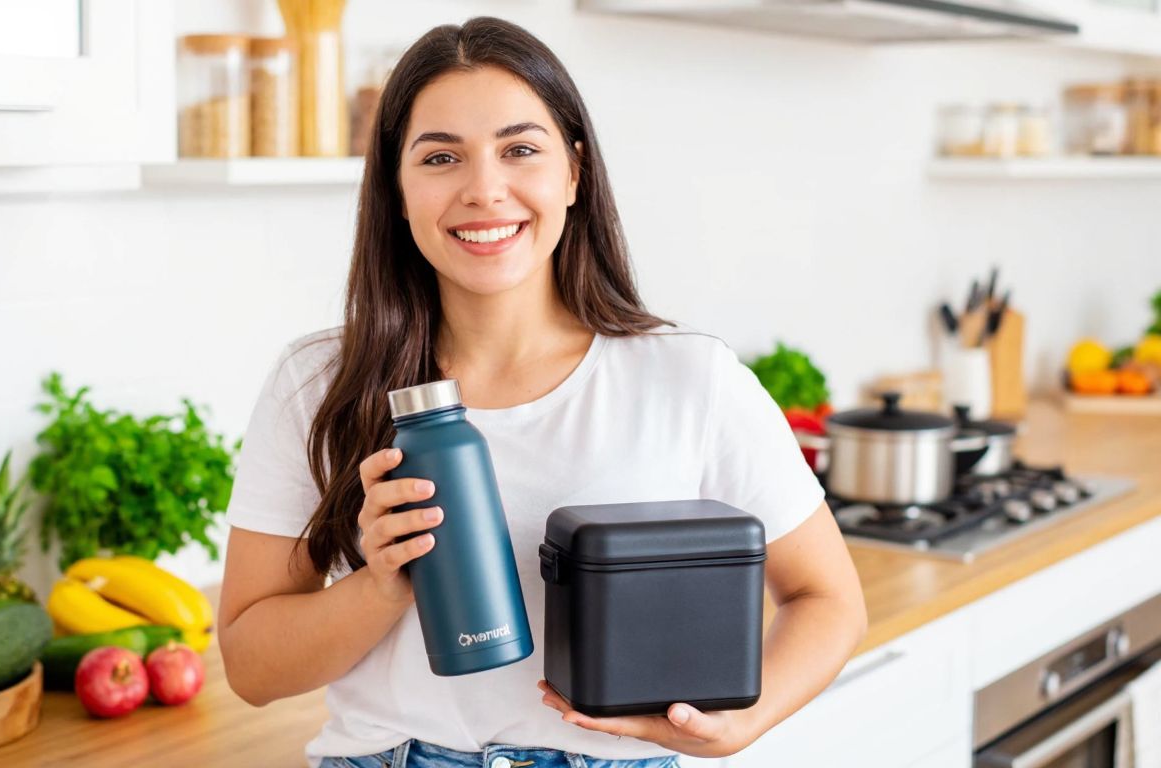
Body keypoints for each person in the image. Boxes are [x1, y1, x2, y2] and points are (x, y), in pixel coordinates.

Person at [218, 16, 866, 768]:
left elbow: (829, 601)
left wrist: (743, 722)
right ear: (396, 188)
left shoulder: (690, 378)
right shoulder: (321, 384)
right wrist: (380, 587)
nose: (484, 190)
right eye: (440, 157)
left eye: (520, 149)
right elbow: (252, 669)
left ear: (574, 172)